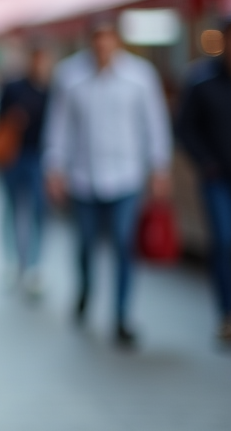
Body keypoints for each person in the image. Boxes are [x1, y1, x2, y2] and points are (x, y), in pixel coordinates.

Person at [43, 20, 172, 346]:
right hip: (84, 177)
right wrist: (54, 167)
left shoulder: (140, 77)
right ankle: (86, 289)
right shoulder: (70, 77)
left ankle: (121, 315)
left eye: (108, 40)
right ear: (90, 42)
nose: (102, 47)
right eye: (97, 40)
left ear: (117, 41)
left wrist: (159, 167)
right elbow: (59, 126)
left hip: (126, 176)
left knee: (122, 245)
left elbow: (154, 124)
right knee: (85, 244)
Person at [176, 19, 231, 343]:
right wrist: (205, 162)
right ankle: (226, 313)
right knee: (223, 242)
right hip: (217, 178)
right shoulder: (201, 80)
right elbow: (184, 127)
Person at [0, 46, 52, 295]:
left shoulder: (52, 91)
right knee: (11, 208)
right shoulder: (13, 87)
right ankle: (11, 261)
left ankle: (33, 265)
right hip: (13, 156)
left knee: (38, 211)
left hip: (39, 157)